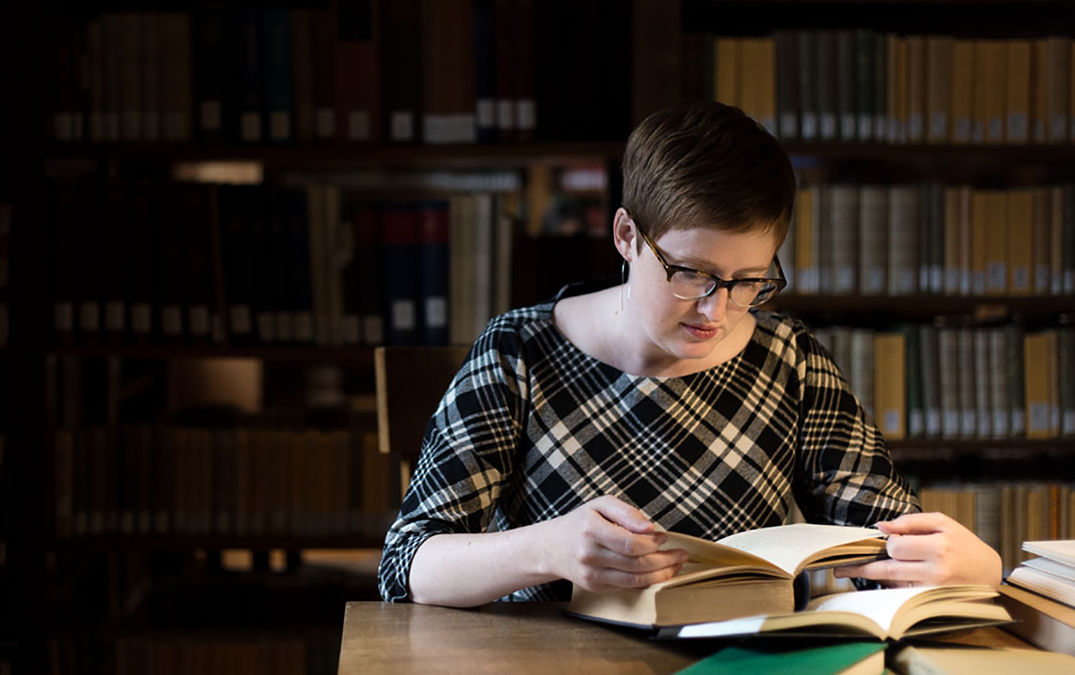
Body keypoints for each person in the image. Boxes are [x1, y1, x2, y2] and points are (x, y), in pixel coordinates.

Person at [377, 102, 1002, 608]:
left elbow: (884, 550)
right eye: (691, 273)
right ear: (626, 235)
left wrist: (970, 564)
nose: (717, 311)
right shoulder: (520, 352)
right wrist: (547, 548)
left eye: (748, 281)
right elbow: (406, 565)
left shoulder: (792, 360)